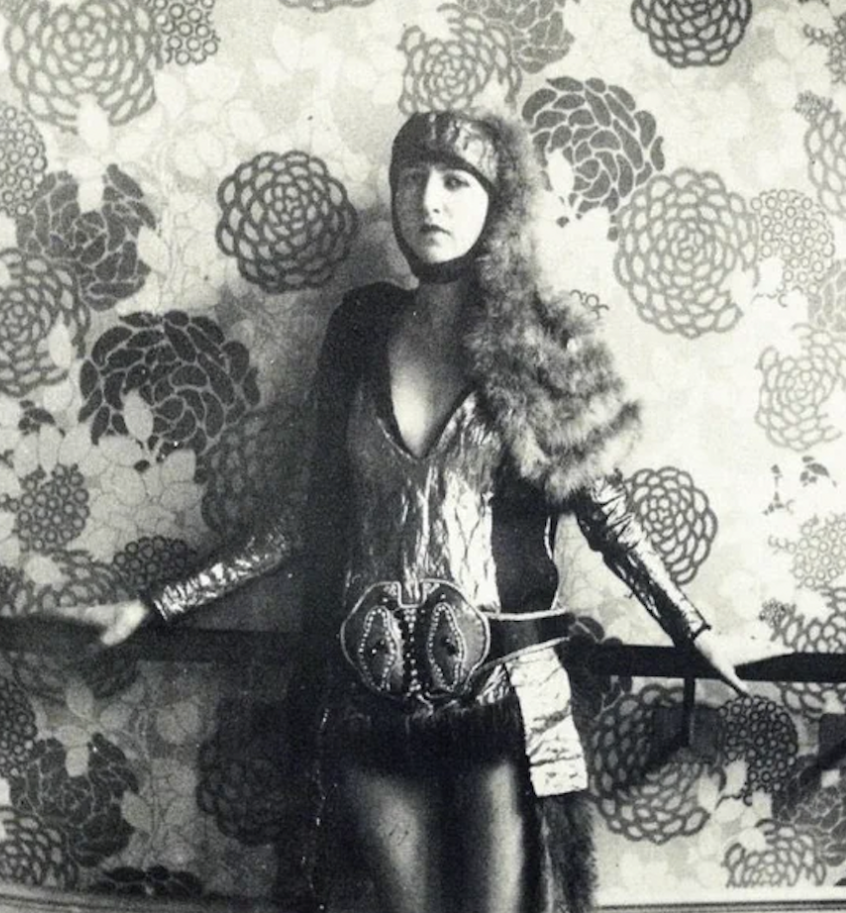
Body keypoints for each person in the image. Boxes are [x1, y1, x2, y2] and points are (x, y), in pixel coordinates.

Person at [57, 109, 747, 913]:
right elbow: (300, 519)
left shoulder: (534, 338)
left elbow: (605, 506)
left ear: (498, 204)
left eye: (457, 181)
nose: (429, 200)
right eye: (412, 178)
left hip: (503, 701)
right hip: (367, 701)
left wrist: (695, 630)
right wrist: (152, 606)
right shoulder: (360, 331)